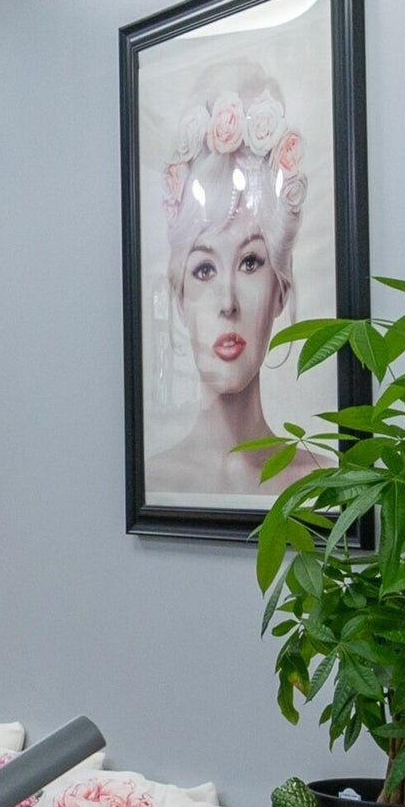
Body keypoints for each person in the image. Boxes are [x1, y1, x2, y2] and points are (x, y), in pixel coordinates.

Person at [139, 53, 319, 501]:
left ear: (281, 289)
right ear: (179, 297)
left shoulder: (323, 484)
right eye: (204, 268)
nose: (227, 303)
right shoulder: (151, 483)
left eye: (250, 262)